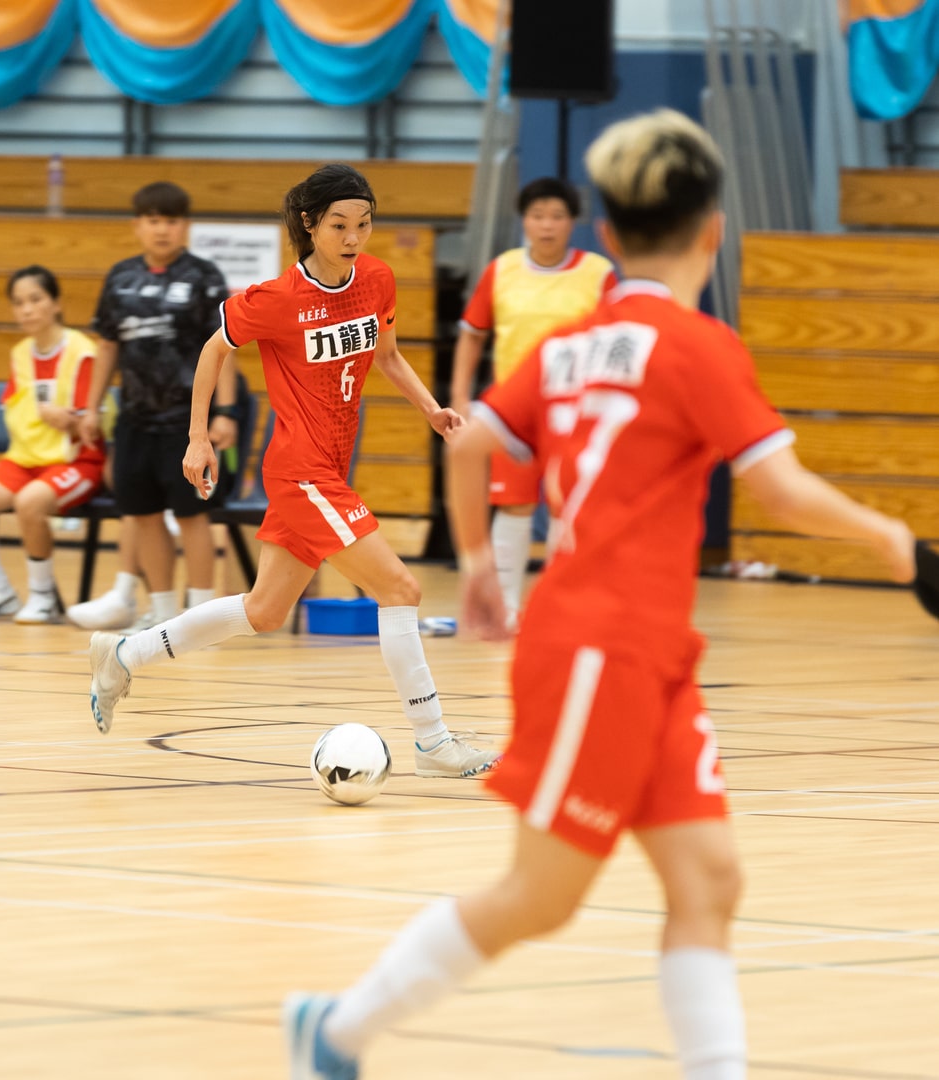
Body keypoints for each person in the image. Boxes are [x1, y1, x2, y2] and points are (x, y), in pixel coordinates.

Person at [281, 111, 918, 1080]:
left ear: (609, 237)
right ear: (714, 232)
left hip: (649, 654)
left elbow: (473, 441)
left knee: (709, 881)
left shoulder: (570, 345)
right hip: (598, 649)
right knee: (542, 895)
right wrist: (900, 545)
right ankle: (337, 1031)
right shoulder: (698, 346)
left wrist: (480, 567)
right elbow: (782, 491)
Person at [87, 164, 497, 784]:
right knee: (400, 590)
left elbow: (386, 355)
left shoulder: (377, 279)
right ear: (309, 224)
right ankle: (433, 741)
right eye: (339, 225)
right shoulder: (277, 299)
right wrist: (198, 437)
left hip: (330, 467)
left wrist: (431, 409)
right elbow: (213, 349)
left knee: (265, 610)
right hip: (301, 472)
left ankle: (124, 653)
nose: (353, 237)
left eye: (364, 224)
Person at [68, 181, 238, 632]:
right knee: (142, 515)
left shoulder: (204, 277)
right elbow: (108, 347)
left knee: (192, 514)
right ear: (138, 225)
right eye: (153, 220)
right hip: (135, 419)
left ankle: (200, 617)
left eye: (172, 221)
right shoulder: (120, 277)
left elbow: (223, 347)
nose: (162, 229)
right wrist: (90, 408)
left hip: (187, 421)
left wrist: (225, 412)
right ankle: (163, 613)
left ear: (186, 226)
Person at [451, 178, 616, 627]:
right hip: (514, 414)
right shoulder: (502, 270)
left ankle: (567, 606)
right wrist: (461, 396)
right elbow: (472, 334)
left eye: (557, 216)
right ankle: (504, 608)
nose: (547, 225)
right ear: (524, 220)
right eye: (537, 215)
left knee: (571, 509)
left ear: (573, 222)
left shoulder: (598, 273)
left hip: (576, 413)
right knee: (515, 505)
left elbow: (614, 339)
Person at [0, 266, 106, 624]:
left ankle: (42, 596)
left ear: (56, 303)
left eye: (36, 299)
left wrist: (73, 421)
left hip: (76, 460)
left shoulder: (83, 352)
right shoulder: (20, 353)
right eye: (18, 303)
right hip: (25, 460)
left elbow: (95, 423)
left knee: (29, 503)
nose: (27, 309)